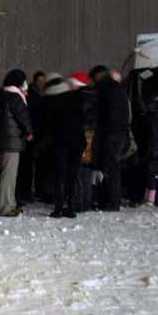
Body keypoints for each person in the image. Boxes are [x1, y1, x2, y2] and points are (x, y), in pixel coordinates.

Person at [40, 73, 87, 218]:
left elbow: (45, 123)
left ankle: (59, 208)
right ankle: (71, 208)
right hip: (77, 139)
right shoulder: (73, 96)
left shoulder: (48, 99)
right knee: (73, 172)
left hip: (60, 140)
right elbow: (83, 117)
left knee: (60, 173)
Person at [90, 65, 130, 211]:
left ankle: (112, 202)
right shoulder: (117, 89)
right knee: (111, 168)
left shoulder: (108, 91)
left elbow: (110, 116)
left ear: (98, 77)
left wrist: (105, 132)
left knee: (111, 169)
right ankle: (110, 201)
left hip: (112, 135)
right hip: (118, 134)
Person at [0, 69, 33, 217]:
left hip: (2, 139)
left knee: (6, 174)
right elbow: (23, 117)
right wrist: (29, 132)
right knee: (9, 175)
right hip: (12, 140)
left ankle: (9, 204)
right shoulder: (15, 97)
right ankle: (5, 206)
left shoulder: (0, 95)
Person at [69, 71, 98, 212]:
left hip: (81, 134)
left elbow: (82, 116)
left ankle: (79, 201)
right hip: (91, 135)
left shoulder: (80, 97)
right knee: (86, 169)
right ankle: (87, 200)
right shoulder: (94, 94)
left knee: (78, 168)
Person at [132, 80, 158, 207]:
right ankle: (147, 198)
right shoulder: (154, 118)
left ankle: (150, 199)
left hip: (150, 153)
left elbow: (150, 139)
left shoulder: (148, 119)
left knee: (150, 175)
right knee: (148, 174)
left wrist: (145, 154)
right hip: (152, 152)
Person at [18, 71, 45, 202]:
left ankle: (39, 190)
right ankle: (26, 192)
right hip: (32, 133)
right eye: (39, 80)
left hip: (40, 133)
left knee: (40, 165)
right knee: (27, 165)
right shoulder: (32, 96)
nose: (41, 83)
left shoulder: (39, 95)